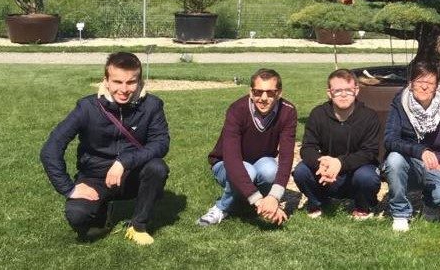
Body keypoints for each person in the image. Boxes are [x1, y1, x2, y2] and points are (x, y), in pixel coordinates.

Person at [40, 52, 170, 245]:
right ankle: (101, 214)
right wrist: (68, 188)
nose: (124, 89)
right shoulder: (86, 107)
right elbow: (51, 149)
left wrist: (124, 161)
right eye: (117, 82)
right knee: (77, 217)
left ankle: (138, 225)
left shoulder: (152, 105)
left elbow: (161, 142)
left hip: (131, 174)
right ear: (106, 81)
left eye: (130, 82)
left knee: (157, 168)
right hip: (95, 176)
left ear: (139, 81)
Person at [197, 68, 297, 227]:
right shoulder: (237, 109)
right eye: (258, 92)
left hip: (261, 162)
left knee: (272, 169)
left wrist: (274, 198)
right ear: (250, 92)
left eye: (270, 93)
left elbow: (286, 157)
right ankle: (221, 208)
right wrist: (257, 200)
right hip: (225, 164)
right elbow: (232, 160)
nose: (264, 98)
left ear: (279, 93)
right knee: (247, 171)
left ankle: (253, 204)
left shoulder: (288, 111)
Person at [382, 61, 440, 232]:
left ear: (436, 86)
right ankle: (400, 213)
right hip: (410, 164)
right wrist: (420, 151)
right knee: (394, 159)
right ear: (410, 84)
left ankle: (430, 202)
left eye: (430, 83)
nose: (424, 87)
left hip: (438, 165)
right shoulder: (400, 103)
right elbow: (390, 139)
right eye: (419, 82)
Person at [293, 69, 381, 220]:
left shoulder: (369, 116)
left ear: (357, 90)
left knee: (368, 176)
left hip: (355, 174)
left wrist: (340, 163)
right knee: (301, 171)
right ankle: (318, 202)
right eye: (338, 90)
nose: (344, 94)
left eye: (348, 90)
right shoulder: (318, 114)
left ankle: (362, 206)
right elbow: (308, 147)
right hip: (325, 174)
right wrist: (320, 163)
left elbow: (369, 152)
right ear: (329, 93)